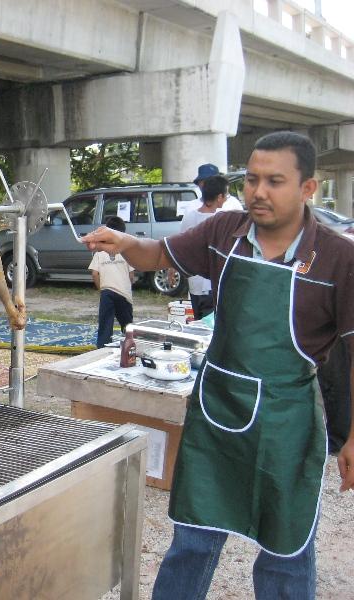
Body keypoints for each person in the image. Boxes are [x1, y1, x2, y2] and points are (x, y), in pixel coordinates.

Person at [82, 131, 354, 599]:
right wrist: (125, 241)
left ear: (308, 188)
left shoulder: (338, 257)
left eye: (275, 181)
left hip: (286, 420)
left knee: (286, 549)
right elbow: (160, 255)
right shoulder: (223, 231)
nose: (259, 192)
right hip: (216, 409)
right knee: (192, 536)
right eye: (251, 180)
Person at [179, 174, 228, 320]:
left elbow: (180, 244)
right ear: (219, 197)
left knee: (200, 326)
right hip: (212, 285)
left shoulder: (189, 216)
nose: (226, 198)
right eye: (226, 195)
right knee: (212, 329)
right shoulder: (220, 220)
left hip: (194, 282)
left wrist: (172, 268)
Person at [88, 216, 134, 348]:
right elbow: (131, 274)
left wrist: (101, 288)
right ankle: (130, 347)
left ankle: (102, 349)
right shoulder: (126, 250)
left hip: (107, 293)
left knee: (105, 325)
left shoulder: (100, 251)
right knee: (128, 326)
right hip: (124, 293)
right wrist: (128, 284)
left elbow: (95, 273)